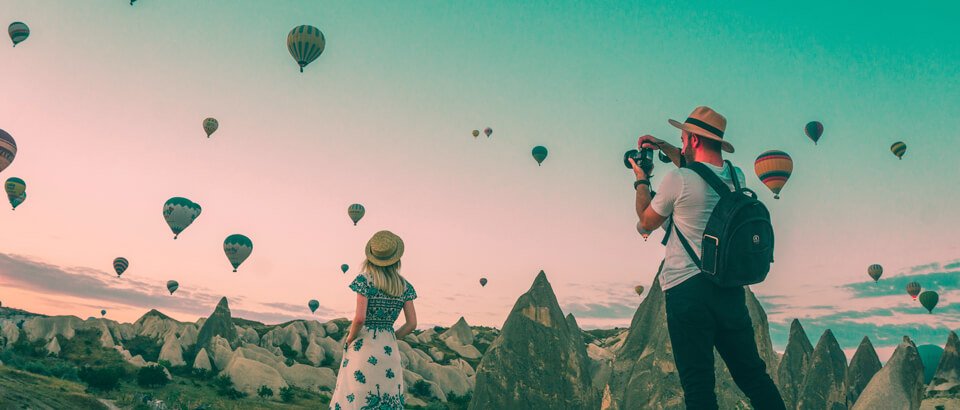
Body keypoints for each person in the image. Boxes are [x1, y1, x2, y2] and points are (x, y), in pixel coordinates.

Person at [629, 106, 786, 410]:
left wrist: (641, 179)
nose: (682, 143)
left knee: (699, 386)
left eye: (684, 138)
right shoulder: (736, 177)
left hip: (687, 291)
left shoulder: (679, 180)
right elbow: (700, 171)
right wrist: (664, 146)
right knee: (754, 376)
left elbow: (646, 222)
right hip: (729, 288)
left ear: (694, 140)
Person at [330, 230, 418, 410]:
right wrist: (393, 337)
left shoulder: (365, 280)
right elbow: (412, 324)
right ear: (396, 258)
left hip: (364, 349)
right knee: (387, 400)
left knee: (356, 398)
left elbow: (360, 318)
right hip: (389, 351)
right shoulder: (405, 286)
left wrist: (349, 339)